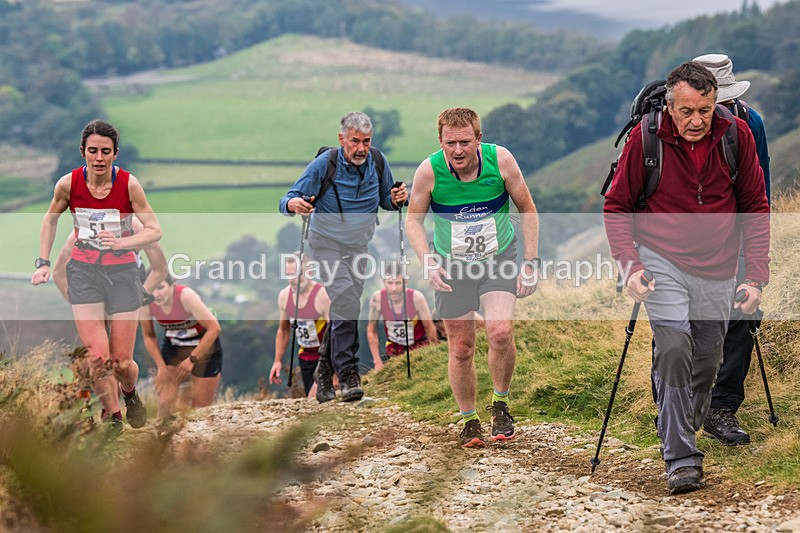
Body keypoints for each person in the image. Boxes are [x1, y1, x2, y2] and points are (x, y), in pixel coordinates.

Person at [603, 62, 769, 494]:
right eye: (688, 111)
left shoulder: (737, 136)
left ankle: (680, 423)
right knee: (674, 345)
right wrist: (631, 266)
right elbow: (617, 207)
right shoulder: (647, 138)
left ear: (717, 104)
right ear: (671, 105)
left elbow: (754, 206)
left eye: (707, 110)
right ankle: (681, 457)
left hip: (717, 266)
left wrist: (755, 275)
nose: (697, 120)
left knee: (708, 361)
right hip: (661, 261)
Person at [405, 107, 540, 448]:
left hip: (498, 258)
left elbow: (527, 209)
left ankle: (501, 404)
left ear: (479, 139)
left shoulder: (501, 161)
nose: (458, 151)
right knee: (462, 348)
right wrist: (429, 263)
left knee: (500, 331)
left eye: (465, 142)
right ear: (441, 142)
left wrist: (530, 262)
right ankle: (469, 420)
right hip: (453, 267)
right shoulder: (429, 172)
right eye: (450, 143)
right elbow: (413, 221)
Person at [31, 119, 162, 431]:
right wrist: (43, 262)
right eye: (93, 151)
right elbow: (50, 221)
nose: (99, 158)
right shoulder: (68, 184)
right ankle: (114, 419)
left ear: (115, 154)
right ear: (83, 152)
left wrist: (123, 242)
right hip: (84, 273)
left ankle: (130, 394)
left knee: (121, 362)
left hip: (123, 274)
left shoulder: (129, 185)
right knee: (97, 358)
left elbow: (155, 230)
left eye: (106, 151)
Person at [279, 111, 408, 403]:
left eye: (366, 141)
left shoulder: (377, 161)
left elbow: (387, 200)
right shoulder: (324, 165)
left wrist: (399, 198)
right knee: (347, 300)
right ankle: (349, 376)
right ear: (341, 139)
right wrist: (294, 204)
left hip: (359, 246)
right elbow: (285, 199)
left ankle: (323, 371)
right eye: (354, 141)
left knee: (344, 306)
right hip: (325, 244)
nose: (361, 148)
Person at [692, 53, 771, 446]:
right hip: (681, 240)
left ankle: (721, 408)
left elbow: (761, 192)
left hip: (736, 235)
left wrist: (756, 258)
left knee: (744, 312)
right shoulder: (665, 126)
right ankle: (677, 405)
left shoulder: (749, 123)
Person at [139, 274, 223, 418]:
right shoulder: (145, 303)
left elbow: (214, 328)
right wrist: (161, 367)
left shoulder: (186, 297)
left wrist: (192, 359)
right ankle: (162, 437)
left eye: (161, 287)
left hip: (204, 349)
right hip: (174, 347)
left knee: (199, 410)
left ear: (172, 285)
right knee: (165, 405)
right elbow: (149, 336)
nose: (156, 294)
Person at [270, 252, 330, 397]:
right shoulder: (284, 297)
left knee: (314, 398)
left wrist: (334, 365)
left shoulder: (322, 295)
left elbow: (337, 333)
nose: (293, 280)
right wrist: (277, 361)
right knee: (313, 401)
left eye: (297, 274)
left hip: (325, 358)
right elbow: (283, 331)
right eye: (289, 274)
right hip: (305, 357)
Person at [367, 261, 439, 371]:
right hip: (393, 350)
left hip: (419, 347)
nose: (394, 288)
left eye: (398, 283)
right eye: (390, 283)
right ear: (384, 282)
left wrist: (434, 353)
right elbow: (371, 330)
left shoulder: (417, 298)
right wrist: (377, 362)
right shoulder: (377, 299)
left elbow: (429, 327)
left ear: (405, 282)